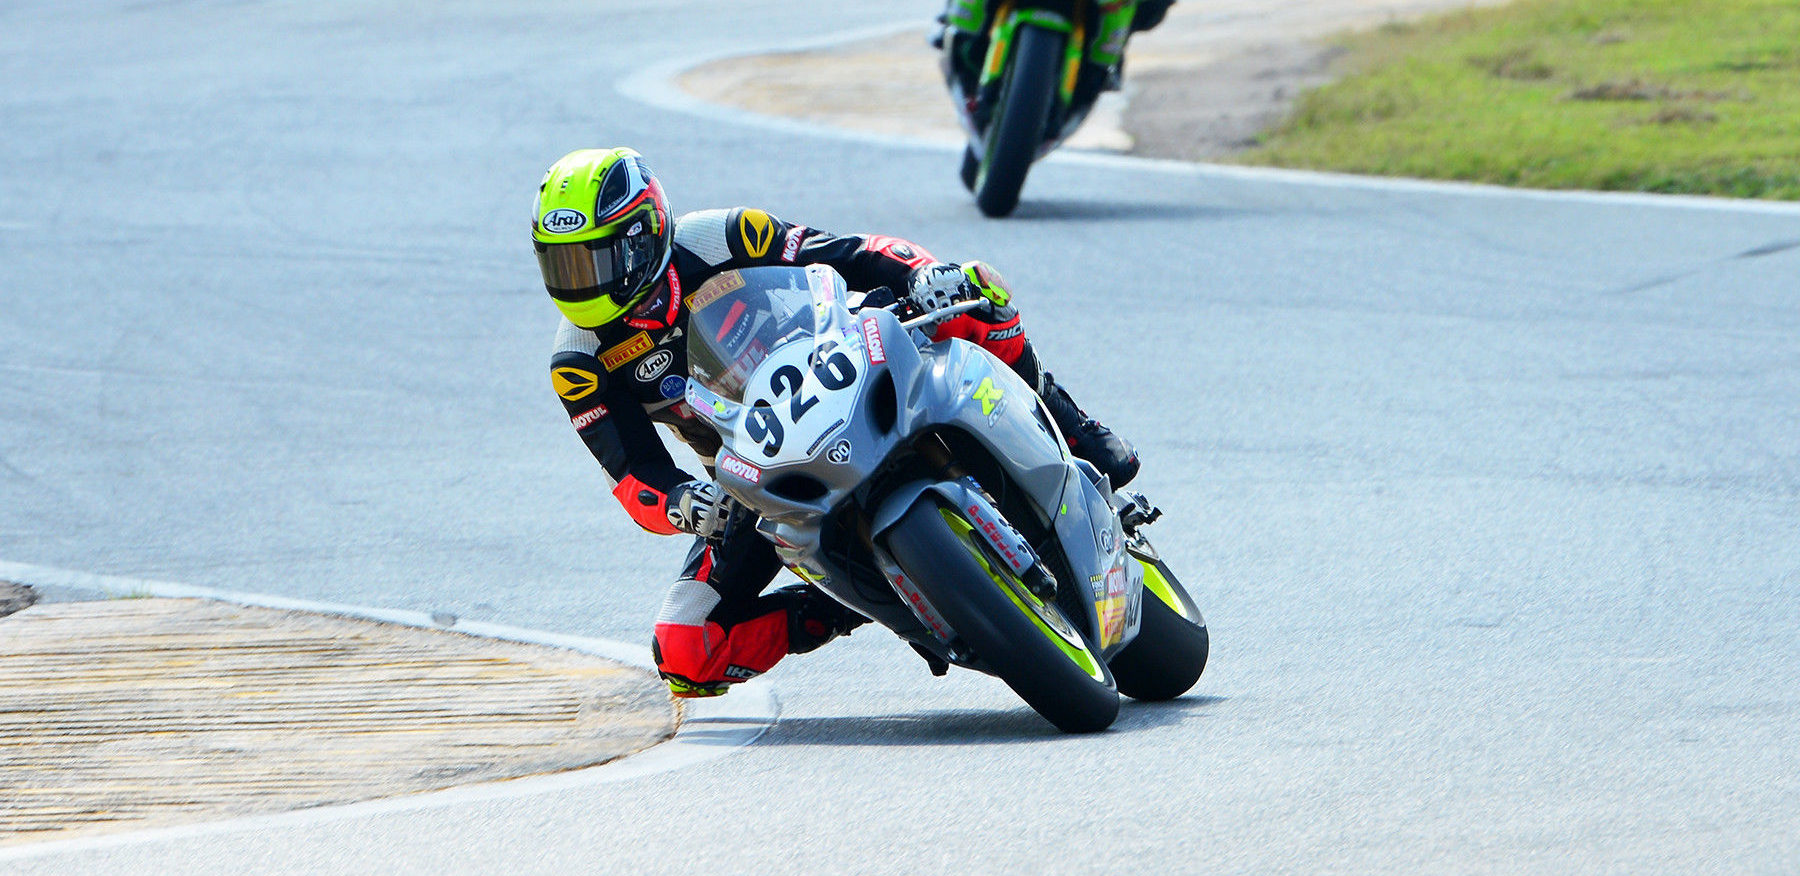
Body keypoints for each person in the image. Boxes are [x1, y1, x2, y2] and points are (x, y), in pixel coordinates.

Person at [534, 147, 1138, 698]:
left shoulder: (720, 237)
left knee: (975, 293)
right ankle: (853, 606)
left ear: (644, 236)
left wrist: (921, 276)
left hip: (841, 361)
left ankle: (1075, 425)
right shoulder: (579, 363)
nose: (578, 282)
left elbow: (852, 253)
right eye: (561, 266)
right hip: (755, 474)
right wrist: (683, 505)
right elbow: (633, 477)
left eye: (594, 260)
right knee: (686, 651)